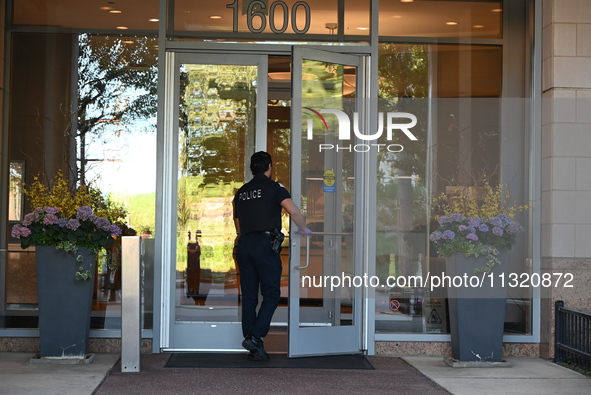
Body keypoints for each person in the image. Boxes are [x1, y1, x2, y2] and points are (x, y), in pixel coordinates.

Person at [233, 151, 311, 361]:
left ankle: (251, 339)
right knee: (271, 294)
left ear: (252, 168)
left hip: (244, 245)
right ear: (269, 166)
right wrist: (304, 230)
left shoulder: (241, 192)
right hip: (264, 246)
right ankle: (256, 336)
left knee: (249, 297)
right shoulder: (274, 188)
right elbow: (293, 211)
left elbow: (238, 226)